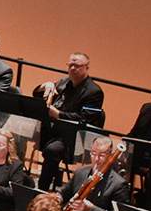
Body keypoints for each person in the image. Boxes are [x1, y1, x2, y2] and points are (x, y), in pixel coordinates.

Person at [35, 52, 107, 189]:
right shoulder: (63, 82)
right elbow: (37, 95)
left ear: (86, 67)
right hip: (55, 131)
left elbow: (85, 119)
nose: (73, 68)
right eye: (70, 65)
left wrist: (59, 114)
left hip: (75, 137)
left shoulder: (94, 92)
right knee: (21, 134)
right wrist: (46, 85)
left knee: (52, 150)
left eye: (77, 65)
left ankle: (41, 189)